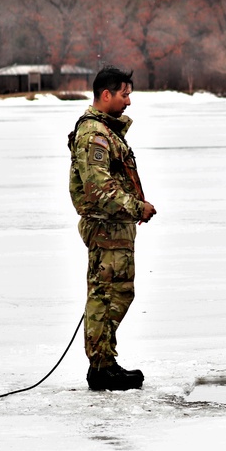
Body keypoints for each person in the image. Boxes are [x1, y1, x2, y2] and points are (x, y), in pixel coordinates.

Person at [68, 66, 157, 391]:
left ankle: (105, 362)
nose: (129, 101)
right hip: (106, 230)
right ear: (106, 95)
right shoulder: (95, 135)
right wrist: (137, 207)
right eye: (124, 94)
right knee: (107, 295)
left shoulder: (106, 131)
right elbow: (98, 187)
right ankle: (102, 367)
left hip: (116, 230)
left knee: (116, 293)